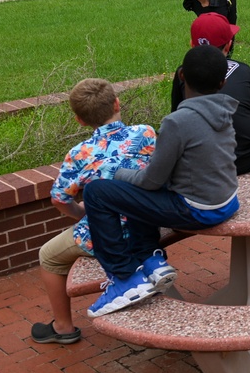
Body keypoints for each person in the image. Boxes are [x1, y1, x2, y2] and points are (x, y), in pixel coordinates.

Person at [83, 45, 240, 317]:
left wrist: (114, 172)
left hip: (198, 209)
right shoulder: (225, 110)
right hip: (227, 200)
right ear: (222, 82)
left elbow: (150, 182)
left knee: (98, 193)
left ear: (181, 76)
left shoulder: (178, 121)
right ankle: (151, 259)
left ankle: (124, 279)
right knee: (136, 188)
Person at [30, 79, 156, 343]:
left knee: (48, 256)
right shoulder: (145, 133)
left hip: (107, 234)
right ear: (117, 103)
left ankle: (63, 327)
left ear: (80, 120)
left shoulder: (79, 153)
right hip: (146, 222)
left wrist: (83, 215)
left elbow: (59, 199)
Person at [171, 12, 250, 175]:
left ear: (192, 44)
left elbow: (176, 115)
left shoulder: (182, 73)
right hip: (247, 158)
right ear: (228, 45)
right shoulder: (243, 70)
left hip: (202, 165)